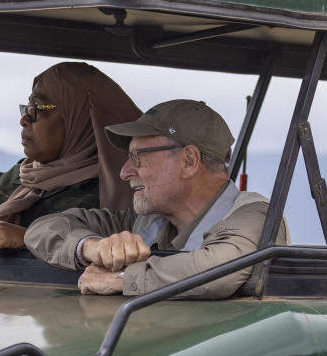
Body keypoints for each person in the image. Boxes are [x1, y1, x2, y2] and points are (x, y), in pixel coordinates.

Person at [24, 99, 290, 299]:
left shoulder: (255, 218)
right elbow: (44, 228)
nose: (125, 172)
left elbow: (223, 269)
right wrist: (92, 247)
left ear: (189, 161)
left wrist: (123, 278)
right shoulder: (149, 222)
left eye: (138, 157)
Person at [0, 62, 141, 262]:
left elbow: (101, 256)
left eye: (38, 108)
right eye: (27, 107)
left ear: (81, 118)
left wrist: (25, 238)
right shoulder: (23, 175)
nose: (24, 119)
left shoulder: (116, 193)